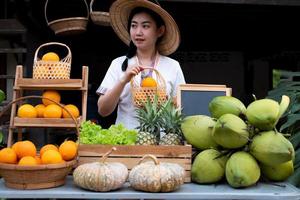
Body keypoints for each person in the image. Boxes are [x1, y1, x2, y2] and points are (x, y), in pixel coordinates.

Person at [97, 0, 185, 129]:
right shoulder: (118, 64)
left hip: (162, 144)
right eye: (133, 25)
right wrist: (123, 80)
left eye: (145, 26)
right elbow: (103, 110)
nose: (138, 32)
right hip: (127, 142)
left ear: (160, 31)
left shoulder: (173, 66)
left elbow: (182, 109)